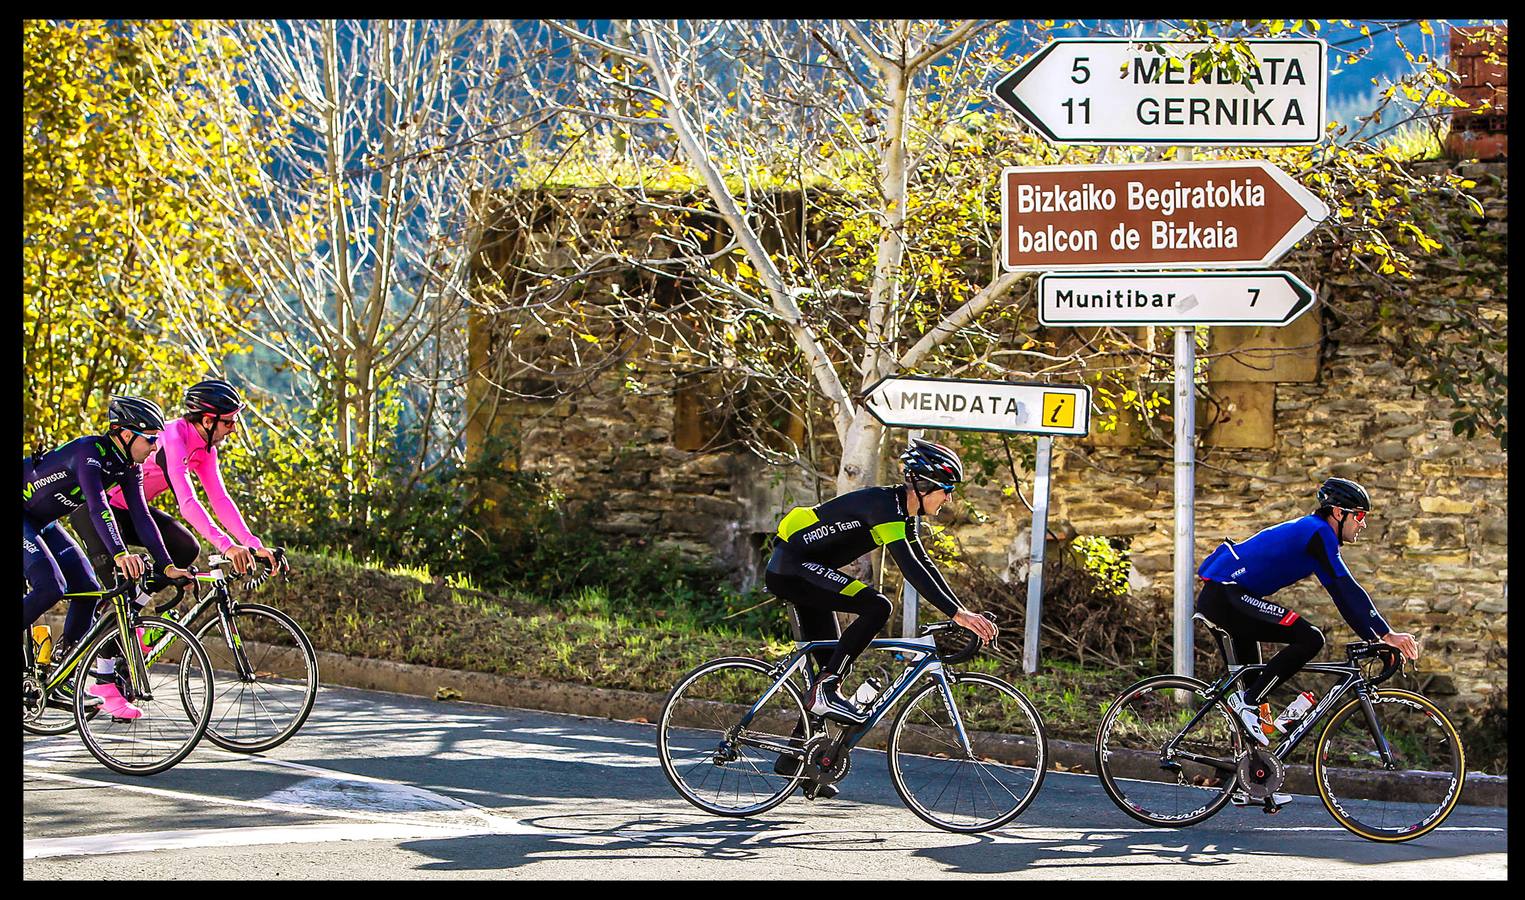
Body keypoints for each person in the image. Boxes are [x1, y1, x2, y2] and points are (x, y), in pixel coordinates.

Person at [767, 438, 999, 726]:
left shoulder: (902, 512)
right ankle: (825, 691)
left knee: (834, 665)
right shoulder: (884, 507)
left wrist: (959, 610)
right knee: (877, 606)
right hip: (791, 569)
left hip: (807, 572)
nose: (949, 499)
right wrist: (957, 614)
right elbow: (910, 569)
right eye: (947, 490)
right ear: (923, 486)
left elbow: (924, 563)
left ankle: (798, 758)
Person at [1197, 476, 1420, 758]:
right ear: (1338, 513)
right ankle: (1247, 702)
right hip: (1227, 596)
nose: (1363, 523)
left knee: (1256, 703)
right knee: (1310, 638)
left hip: (1230, 598)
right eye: (1359, 516)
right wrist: (1386, 635)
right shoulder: (1318, 533)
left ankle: (1252, 781)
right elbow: (1347, 588)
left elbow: (1342, 596)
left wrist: (1375, 636)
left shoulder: (1317, 542)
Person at [23, 396, 192, 718]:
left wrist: (167, 565)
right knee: (50, 586)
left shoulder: (129, 467)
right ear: (125, 434)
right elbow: (98, 506)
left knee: (88, 590)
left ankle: (61, 674)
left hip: (43, 522)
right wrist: (119, 554)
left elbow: (142, 516)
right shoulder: (89, 452)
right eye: (150, 439)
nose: (155, 447)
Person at [71, 378, 286, 582]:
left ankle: (141, 604)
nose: (234, 429)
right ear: (208, 421)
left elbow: (220, 499)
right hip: (96, 513)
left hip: (131, 513)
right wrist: (227, 546)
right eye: (229, 423)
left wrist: (252, 544)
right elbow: (187, 503)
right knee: (121, 592)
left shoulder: (206, 450)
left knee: (186, 548)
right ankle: (111, 614)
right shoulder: (174, 438)